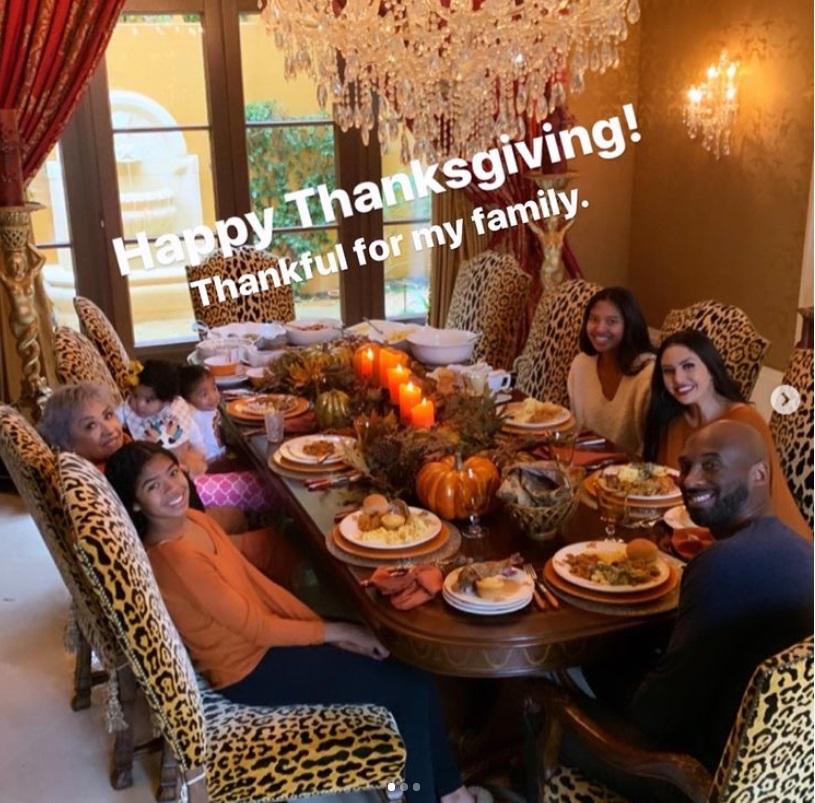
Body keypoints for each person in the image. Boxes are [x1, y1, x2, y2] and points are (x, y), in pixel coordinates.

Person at [105, 441, 480, 803]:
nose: (172, 488)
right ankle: (429, 795)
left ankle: (451, 792)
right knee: (408, 690)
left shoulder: (192, 520)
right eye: (154, 486)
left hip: (267, 643)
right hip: (249, 670)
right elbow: (257, 628)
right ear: (135, 503)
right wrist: (340, 631)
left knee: (410, 665)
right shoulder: (177, 559)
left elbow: (258, 587)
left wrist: (325, 630)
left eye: (173, 473)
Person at [626, 420, 814, 769]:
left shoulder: (723, 564)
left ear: (759, 474)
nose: (689, 480)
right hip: (782, 770)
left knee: (548, 688)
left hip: (697, 775)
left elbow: (659, 714)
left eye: (711, 465)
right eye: (686, 466)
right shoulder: (803, 552)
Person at [643, 328, 810, 540]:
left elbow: (759, 501)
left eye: (688, 366)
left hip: (765, 540)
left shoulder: (744, 422)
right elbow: (665, 489)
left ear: (711, 369)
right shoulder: (672, 422)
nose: (678, 379)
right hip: (692, 534)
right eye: (668, 371)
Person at [40, 382, 245, 535]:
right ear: (68, 443)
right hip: (184, 526)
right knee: (242, 508)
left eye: (108, 415)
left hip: (189, 506)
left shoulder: (125, 446)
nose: (108, 429)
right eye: (90, 426)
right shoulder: (112, 473)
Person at [567, 287, 655, 457]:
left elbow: (650, 448)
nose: (600, 329)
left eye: (612, 321)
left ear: (629, 325)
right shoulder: (581, 365)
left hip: (631, 470)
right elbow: (575, 429)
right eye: (594, 319)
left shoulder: (647, 375)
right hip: (583, 462)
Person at [118, 359, 208, 478]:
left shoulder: (175, 408)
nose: (139, 404)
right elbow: (114, 420)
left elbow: (192, 429)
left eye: (148, 400)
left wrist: (200, 449)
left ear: (166, 401)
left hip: (181, 456)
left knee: (196, 466)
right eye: (135, 395)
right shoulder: (127, 410)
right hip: (152, 465)